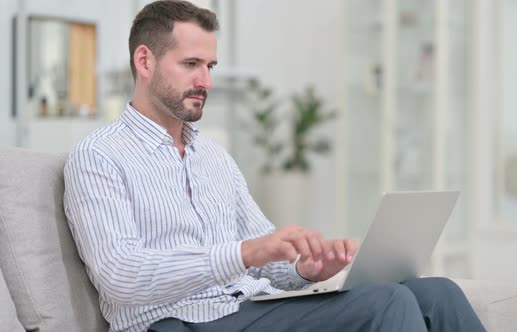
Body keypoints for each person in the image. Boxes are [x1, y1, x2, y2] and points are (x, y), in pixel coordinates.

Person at [63, 1, 486, 331]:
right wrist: (243, 253)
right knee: (387, 303)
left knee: (438, 294)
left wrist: (305, 268)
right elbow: (119, 275)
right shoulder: (99, 156)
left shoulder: (212, 157)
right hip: (180, 322)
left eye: (209, 66)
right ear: (144, 61)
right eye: (191, 65)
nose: (206, 82)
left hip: (249, 308)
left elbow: (265, 256)